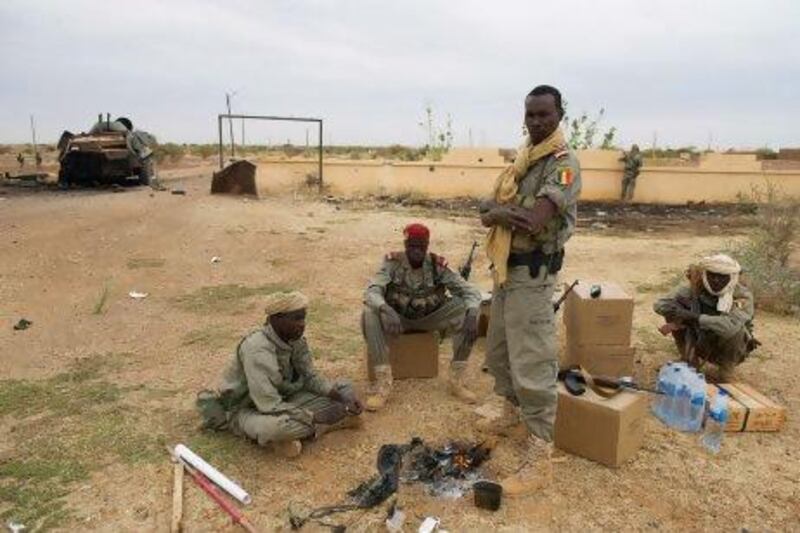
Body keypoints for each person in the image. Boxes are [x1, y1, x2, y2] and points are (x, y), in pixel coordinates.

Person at [477, 84, 582, 496]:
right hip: (506, 269)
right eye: (531, 115)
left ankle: (540, 456)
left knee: (532, 362)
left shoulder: (563, 164)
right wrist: (499, 212)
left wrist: (497, 214)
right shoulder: (523, 160)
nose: (537, 122)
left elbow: (534, 220)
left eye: (545, 115)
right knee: (499, 350)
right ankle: (509, 411)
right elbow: (490, 207)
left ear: (559, 115)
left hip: (534, 278)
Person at [199, 291, 364, 458]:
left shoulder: (295, 339)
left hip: (284, 399)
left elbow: (309, 377)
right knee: (277, 428)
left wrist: (341, 397)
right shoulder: (258, 350)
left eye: (303, 318)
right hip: (248, 409)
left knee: (345, 389)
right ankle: (321, 426)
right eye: (297, 318)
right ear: (276, 319)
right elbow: (268, 404)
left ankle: (306, 431)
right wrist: (312, 416)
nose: (302, 324)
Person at [362, 222, 482, 410]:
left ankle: (456, 380)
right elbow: (372, 291)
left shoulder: (437, 265)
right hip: (398, 319)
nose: (416, 250)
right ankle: (383, 386)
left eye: (421, 246)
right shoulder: (392, 263)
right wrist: (386, 309)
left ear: (427, 245)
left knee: (466, 309)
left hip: (430, 318)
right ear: (405, 245)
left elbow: (470, 291)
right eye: (412, 246)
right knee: (370, 312)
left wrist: (473, 312)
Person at [653, 254, 757, 381]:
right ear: (705, 275)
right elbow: (660, 304)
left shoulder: (742, 295)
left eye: (722, 276)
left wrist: (696, 318)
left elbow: (729, 326)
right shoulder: (695, 288)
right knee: (673, 313)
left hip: (727, 346)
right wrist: (680, 313)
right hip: (699, 339)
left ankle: (726, 369)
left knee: (737, 330)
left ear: (732, 277)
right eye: (712, 275)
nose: (716, 280)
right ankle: (689, 360)